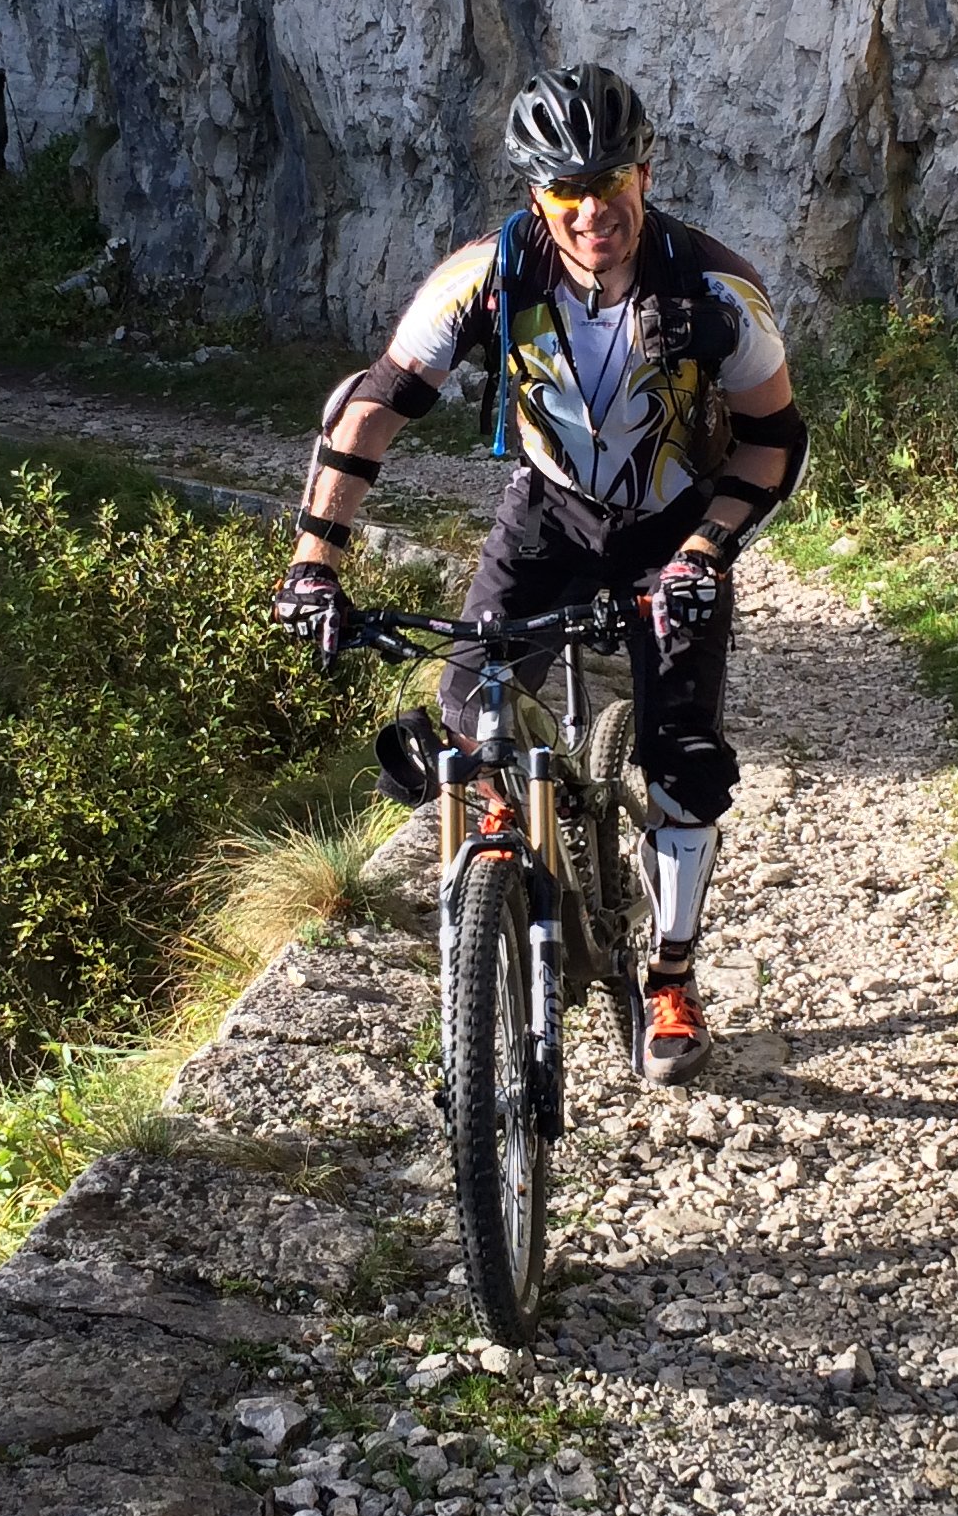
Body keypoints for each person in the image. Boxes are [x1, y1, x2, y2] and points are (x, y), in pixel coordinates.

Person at [272, 64, 807, 1084]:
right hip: (549, 513)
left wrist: (706, 550)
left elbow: (775, 441)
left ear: (645, 176)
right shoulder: (488, 276)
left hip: (676, 524)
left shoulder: (715, 291)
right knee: (465, 706)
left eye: (610, 184)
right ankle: (495, 885)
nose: (592, 211)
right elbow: (371, 408)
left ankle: (670, 977)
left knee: (684, 758)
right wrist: (314, 565)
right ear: (536, 194)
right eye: (568, 191)